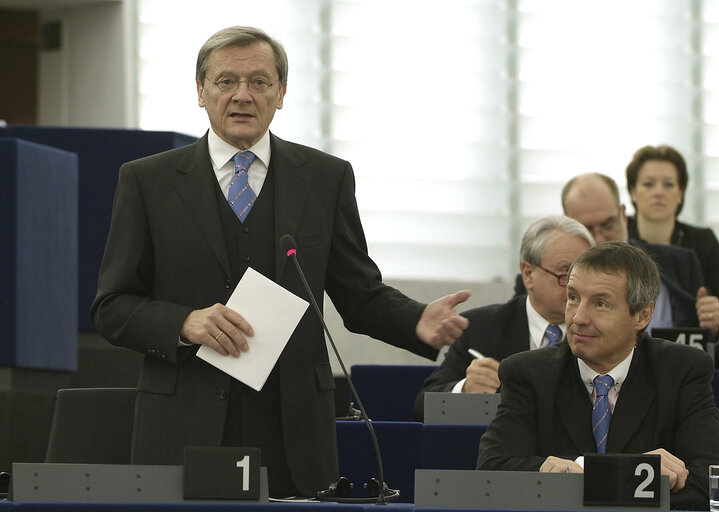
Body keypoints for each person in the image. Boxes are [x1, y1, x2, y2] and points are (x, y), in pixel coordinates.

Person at [91, 26, 471, 498]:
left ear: (282, 93)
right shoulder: (148, 181)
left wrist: (417, 321)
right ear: (200, 92)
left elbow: (359, 294)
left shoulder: (326, 179)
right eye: (226, 81)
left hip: (294, 425)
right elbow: (112, 306)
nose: (242, 96)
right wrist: (183, 322)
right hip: (184, 419)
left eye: (260, 82)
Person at [477, 241, 719, 510]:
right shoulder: (528, 374)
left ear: (642, 315)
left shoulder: (681, 371)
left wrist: (580, 478)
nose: (577, 318)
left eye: (600, 303)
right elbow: (492, 474)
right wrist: (631, 473)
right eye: (573, 297)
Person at [413, 215, 594, 421]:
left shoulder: (602, 329)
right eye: (565, 274)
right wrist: (465, 389)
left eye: (585, 275)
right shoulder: (481, 329)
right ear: (528, 274)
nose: (575, 287)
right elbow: (423, 408)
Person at [562, 172, 719, 369]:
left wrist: (714, 329)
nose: (600, 238)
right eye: (587, 229)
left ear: (623, 215)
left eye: (608, 224)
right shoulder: (552, 277)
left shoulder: (679, 263)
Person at [625, 144, 719, 319]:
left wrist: (714, 311)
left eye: (668, 184)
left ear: (680, 194)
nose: (659, 192)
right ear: (633, 191)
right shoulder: (617, 237)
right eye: (648, 184)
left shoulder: (703, 240)